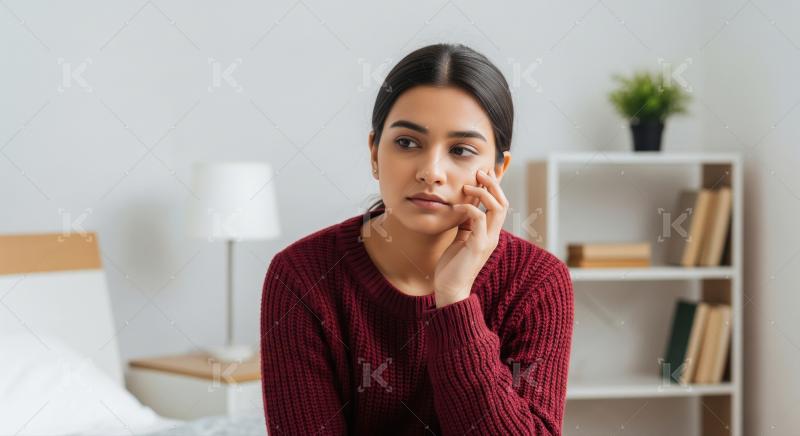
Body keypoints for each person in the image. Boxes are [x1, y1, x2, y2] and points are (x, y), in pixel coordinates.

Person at [260, 42, 574, 435]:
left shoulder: (538, 282)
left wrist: (455, 300)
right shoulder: (302, 275)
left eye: (461, 150)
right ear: (375, 152)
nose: (431, 171)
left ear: (499, 169)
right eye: (407, 142)